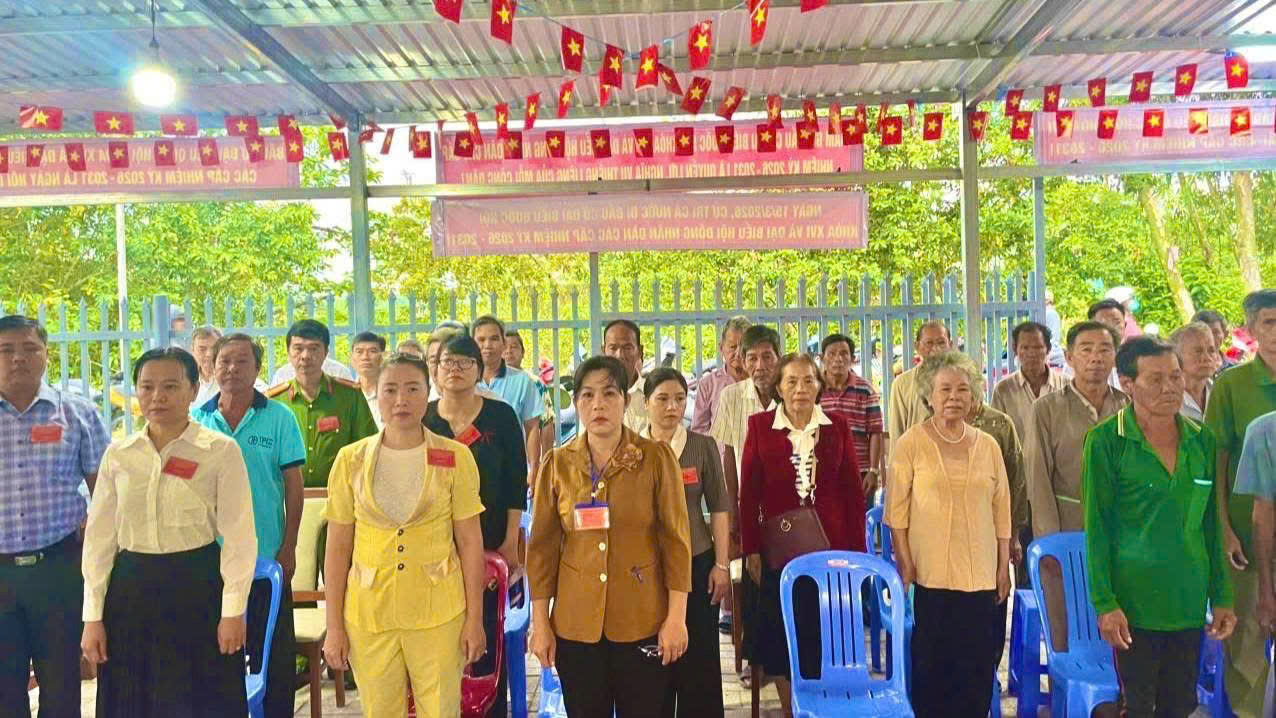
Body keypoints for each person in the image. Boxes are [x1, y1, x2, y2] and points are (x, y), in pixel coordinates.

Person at [80, 347, 258, 717]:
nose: (157, 396)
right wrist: (93, 616)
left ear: (193, 390)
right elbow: (99, 541)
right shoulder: (119, 455)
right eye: (147, 387)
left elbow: (239, 537)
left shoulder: (220, 451)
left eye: (170, 386)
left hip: (198, 589)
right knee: (132, 700)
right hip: (130, 593)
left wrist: (233, 611)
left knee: (201, 700)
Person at [320, 352, 486, 717]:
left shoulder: (455, 456)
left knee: (441, 709)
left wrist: (475, 619)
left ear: (428, 394)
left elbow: (471, 542)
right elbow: (337, 548)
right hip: (368, 612)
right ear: (376, 395)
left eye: (412, 389)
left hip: (439, 610)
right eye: (390, 389)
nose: (401, 400)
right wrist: (333, 626)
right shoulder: (350, 460)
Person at [527, 356, 692, 718]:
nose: (598, 404)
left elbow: (676, 543)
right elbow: (541, 551)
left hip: (642, 619)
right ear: (576, 403)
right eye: (587, 395)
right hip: (575, 624)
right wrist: (540, 623)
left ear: (626, 401)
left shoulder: (655, 458)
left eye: (608, 394)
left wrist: (676, 618)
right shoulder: (557, 464)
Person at [1085, 336, 1236, 717]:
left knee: (1179, 705)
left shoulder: (1202, 440)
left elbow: (1211, 526)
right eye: (1155, 379)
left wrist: (1222, 596)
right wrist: (1105, 604)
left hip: (1188, 600)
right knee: (1137, 707)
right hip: (1133, 604)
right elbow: (1097, 529)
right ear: (1127, 384)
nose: (1170, 387)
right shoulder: (1106, 441)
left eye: (1175, 376)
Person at [739, 353, 866, 718]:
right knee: (782, 638)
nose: (800, 389)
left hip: (831, 550)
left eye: (809, 380)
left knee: (825, 634)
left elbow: (853, 493)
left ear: (819, 385)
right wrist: (751, 550)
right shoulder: (760, 426)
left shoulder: (837, 426)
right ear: (778, 387)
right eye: (791, 381)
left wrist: (857, 554)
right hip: (779, 554)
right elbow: (749, 494)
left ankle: (824, 706)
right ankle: (791, 709)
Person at [886, 351, 1011, 717]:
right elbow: (896, 513)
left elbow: (1002, 510)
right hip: (931, 576)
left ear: (973, 396)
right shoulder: (911, 443)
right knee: (933, 668)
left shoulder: (988, 445)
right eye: (945, 389)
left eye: (962, 389)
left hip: (981, 576)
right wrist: (905, 563)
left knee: (977, 667)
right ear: (929, 395)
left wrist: (1003, 567)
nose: (954, 397)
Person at [191, 333, 306, 718]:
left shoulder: (280, 418)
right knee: (217, 652)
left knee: (273, 654)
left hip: (266, 557)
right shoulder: (198, 420)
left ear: (257, 369)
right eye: (224, 361)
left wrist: (289, 547)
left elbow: (293, 487)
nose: (232, 369)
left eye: (242, 361)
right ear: (212, 367)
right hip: (211, 559)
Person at [0, 315, 110, 717]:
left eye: (30, 348)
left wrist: (94, 533)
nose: (18, 358)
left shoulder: (79, 413)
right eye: (6, 350)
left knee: (62, 683)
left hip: (60, 570)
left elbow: (107, 493)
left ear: (46, 354)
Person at [424, 336, 528, 717]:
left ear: (479, 370)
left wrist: (511, 541)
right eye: (447, 362)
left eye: (465, 362)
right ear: (436, 370)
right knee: (438, 645)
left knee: (485, 637)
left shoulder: (501, 417)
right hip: (433, 552)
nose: (455, 369)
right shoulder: (424, 418)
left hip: (490, 545)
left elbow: (516, 482)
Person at [641, 367, 730, 718]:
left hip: (698, 561)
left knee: (700, 653)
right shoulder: (633, 448)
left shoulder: (702, 446)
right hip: (647, 567)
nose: (672, 407)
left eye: (679, 399)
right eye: (662, 399)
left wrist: (721, 565)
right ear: (646, 403)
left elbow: (719, 508)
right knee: (653, 654)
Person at [1206, 289, 1276, 717]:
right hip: (1245, 537)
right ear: (1250, 330)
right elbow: (1215, 461)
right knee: (1247, 641)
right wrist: (1224, 528)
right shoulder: (1231, 385)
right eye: (1269, 323)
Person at [1026, 321, 1128, 537]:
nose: (1096, 358)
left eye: (1104, 350)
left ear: (1115, 357)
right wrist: (1049, 541)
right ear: (1069, 357)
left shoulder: (1127, 407)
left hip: (1121, 529)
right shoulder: (1046, 409)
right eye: (1086, 350)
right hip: (1069, 528)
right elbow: (1038, 480)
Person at [267, 319, 377, 488]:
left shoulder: (350, 397)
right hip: (286, 497)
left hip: (338, 495)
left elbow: (368, 448)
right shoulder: (275, 401)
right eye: (298, 348)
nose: (305, 356)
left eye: (314, 348)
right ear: (288, 352)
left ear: (326, 352)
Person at [472, 316, 542, 480]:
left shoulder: (523, 381)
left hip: (511, 469)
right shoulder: (465, 382)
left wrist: (534, 468)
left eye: (494, 339)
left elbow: (532, 427)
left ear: (503, 343)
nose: (487, 345)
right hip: (471, 470)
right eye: (481, 340)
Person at [819, 333, 884, 498]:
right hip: (822, 472)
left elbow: (876, 432)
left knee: (860, 514)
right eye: (831, 354)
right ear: (822, 358)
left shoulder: (865, 389)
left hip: (859, 473)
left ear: (853, 358)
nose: (838, 359)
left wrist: (873, 471)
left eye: (843, 353)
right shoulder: (814, 389)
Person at [992, 321, 1067, 443]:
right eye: (1025, 348)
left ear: (1048, 349)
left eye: (1038, 347)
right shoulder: (1003, 390)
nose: (1031, 353)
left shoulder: (1066, 385)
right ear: (1015, 350)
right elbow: (997, 435)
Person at [887, 320, 953, 453]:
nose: (935, 348)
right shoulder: (902, 384)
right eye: (929, 343)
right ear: (917, 346)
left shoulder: (961, 380)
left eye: (941, 342)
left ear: (950, 345)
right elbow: (897, 432)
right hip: (916, 456)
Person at [691, 316, 751, 436]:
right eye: (732, 347)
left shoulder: (762, 382)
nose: (738, 353)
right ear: (721, 348)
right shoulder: (708, 384)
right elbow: (699, 431)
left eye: (744, 347)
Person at [602, 319, 649, 433]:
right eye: (613, 348)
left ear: (640, 352)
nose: (619, 355)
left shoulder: (652, 393)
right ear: (603, 351)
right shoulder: (594, 396)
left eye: (627, 348)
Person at [1169, 322, 1218, 422]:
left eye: (1211, 350)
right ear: (1177, 356)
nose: (1206, 357)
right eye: (1198, 351)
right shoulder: (1166, 398)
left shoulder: (1220, 392)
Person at [352, 331, 387, 429]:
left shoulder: (393, 394)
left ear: (382, 358)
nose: (365, 357)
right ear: (352, 359)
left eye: (372, 351)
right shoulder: (346, 395)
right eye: (359, 352)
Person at [1194, 309, 1237, 375]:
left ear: (1225, 334)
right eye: (1204, 333)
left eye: (1215, 332)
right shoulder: (1189, 370)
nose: (1210, 337)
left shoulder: (1235, 368)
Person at [191, 326, 223, 407]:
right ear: (193, 351)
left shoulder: (234, 380)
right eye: (202, 349)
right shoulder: (186, 381)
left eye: (214, 348)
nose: (209, 354)